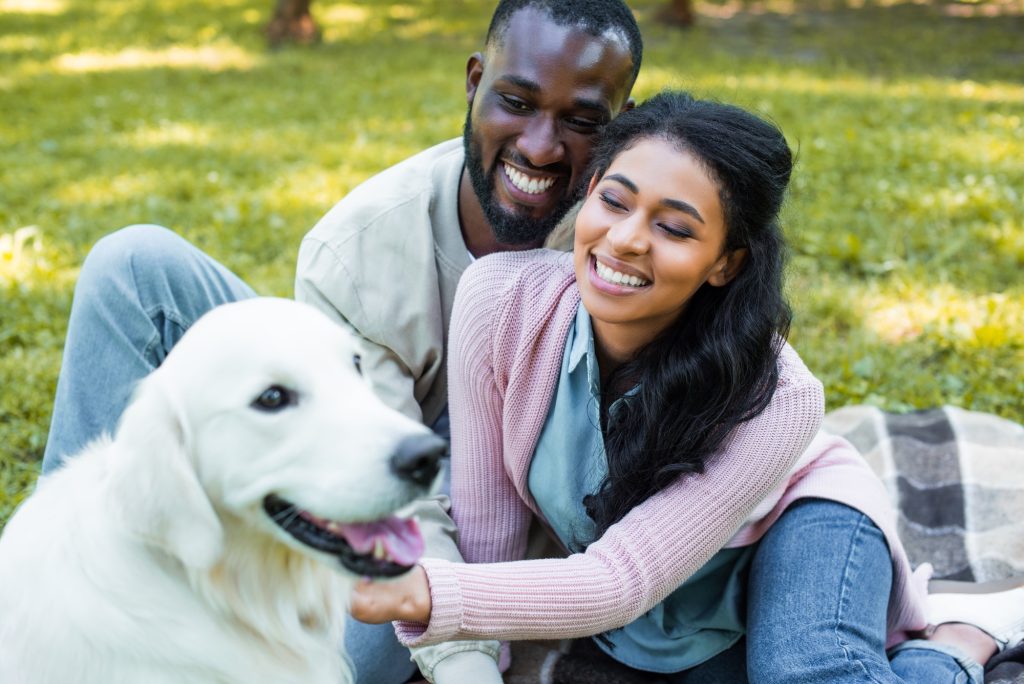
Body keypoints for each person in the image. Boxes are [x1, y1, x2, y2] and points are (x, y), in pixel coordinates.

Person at [38, 1, 642, 682]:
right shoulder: (360, 248)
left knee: (336, 662)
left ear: (625, 124)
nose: (538, 146)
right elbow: (367, 465)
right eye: (514, 101)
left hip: (495, 486)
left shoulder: (629, 244)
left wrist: (461, 638)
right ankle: (63, 572)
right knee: (132, 264)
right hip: (374, 450)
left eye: (583, 121)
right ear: (474, 82)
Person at [349, 90, 1024, 683]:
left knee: (807, 672)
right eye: (613, 200)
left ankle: (961, 642)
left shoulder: (780, 393)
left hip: (798, 523)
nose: (626, 241)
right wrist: (476, 660)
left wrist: (422, 595)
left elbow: (619, 581)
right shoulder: (498, 303)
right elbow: (486, 528)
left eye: (674, 228)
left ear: (724, 264)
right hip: (665, 612)